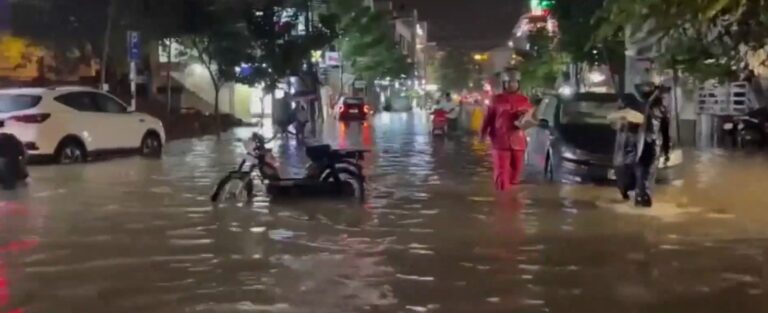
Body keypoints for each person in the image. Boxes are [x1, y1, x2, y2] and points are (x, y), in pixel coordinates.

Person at [614, 82, 671, 207]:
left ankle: (640, 195)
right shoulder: (658, 109)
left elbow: (665, 132)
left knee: (641, 171)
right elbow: (665, 133)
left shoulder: (637, 107)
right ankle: (642, 196)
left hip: (642, 145)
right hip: (648, 145)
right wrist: (666, 151)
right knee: (645, 173)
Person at [481, 69, 534, 191]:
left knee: (516, 172)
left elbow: (531, 118)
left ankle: (512, 197)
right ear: (504, 84)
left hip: (518, 141)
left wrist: (525, 117)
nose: (511, 85)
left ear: (518, 83)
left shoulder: (524, 100)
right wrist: (483, 134)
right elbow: (488, 119)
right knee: (502, 173)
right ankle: (502, 196)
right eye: (509, 82)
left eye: (514, 82)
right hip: (500, 140)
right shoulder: (496, 100)